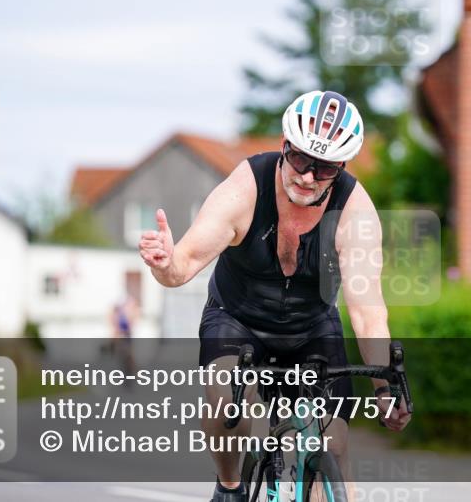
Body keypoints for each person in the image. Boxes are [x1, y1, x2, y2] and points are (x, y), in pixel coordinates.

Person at [139, 90, 410, 502]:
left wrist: (385, 390)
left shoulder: (355, 213)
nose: (306, 175)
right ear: (284, 145)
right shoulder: (245, 189)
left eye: (323, 168)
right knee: (225, 399)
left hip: (311, 326)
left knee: (335, 443)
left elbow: (368, 312)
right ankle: (229, 486)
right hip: (237, 318)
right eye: (299, 158)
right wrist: (164, 263)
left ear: (341, 167)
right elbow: (183, 265)